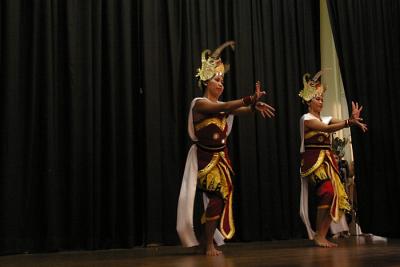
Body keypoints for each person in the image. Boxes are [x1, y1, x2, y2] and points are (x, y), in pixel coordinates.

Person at [176, 41, 275, 256]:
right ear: (205, 81)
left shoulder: (222, 107)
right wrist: (248, 99)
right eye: (216, 79)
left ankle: (206, 242)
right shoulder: (199, 104)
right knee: (217, 197)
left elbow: (239, 111)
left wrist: (253, 107)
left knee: (218, 199)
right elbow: (223, 107)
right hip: (204, 159)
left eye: (222, 79)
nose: (220, 83)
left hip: (221, 159)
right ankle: (208, 244)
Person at [298, 70, 367, 248]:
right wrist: (348, 123)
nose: (320, 102)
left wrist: (351, 119)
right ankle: (319, 235)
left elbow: (337, 121)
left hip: (328, 162)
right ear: (308, 101)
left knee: (334, 195)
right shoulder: (306, 119)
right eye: (317, 99)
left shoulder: (325, 118)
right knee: (328, 191)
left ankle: (321, 234)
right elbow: (325, 128)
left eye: (322, 99)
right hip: (314, 163)